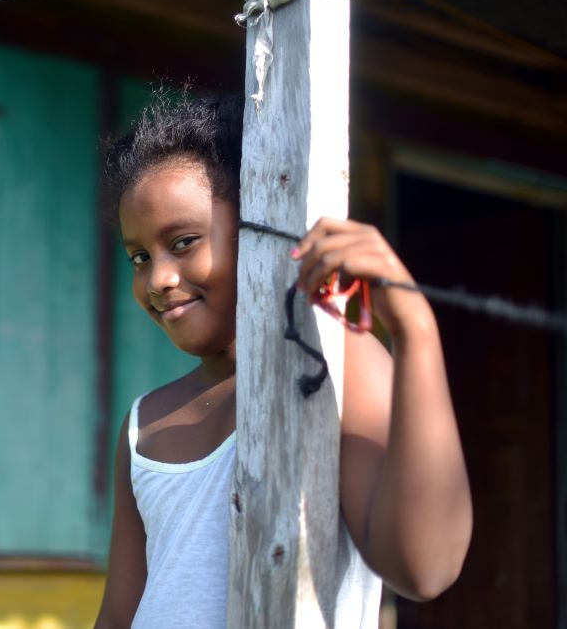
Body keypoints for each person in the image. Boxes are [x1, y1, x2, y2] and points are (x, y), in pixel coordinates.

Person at [93, 94, 473, 628]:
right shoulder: (145, 425)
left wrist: (415, 329)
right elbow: (117, 617)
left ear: (257, 228)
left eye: (183, 242)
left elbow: (423, 567)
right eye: (139, 257)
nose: (158, 279)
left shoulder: (332, 366)